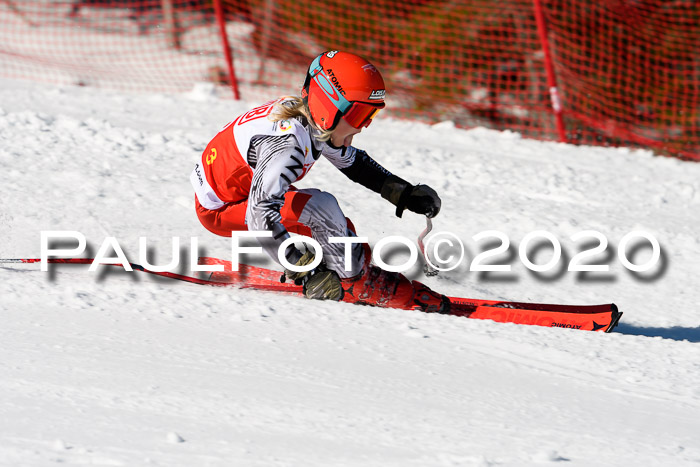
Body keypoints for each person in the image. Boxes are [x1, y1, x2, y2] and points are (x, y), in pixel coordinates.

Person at [191, 50, 449, 313]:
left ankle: (352, 270)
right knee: (322, 209)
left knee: (342, 230)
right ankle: (353, 284)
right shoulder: (287, 145)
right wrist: (305, 273)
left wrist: (404, 194)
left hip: (243, 192)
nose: (363, 127)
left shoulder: (311, 121)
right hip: (221, 209)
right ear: (329, 106)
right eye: (360, 116)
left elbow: (354, 163)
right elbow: (260, 215)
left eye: (370, 117)